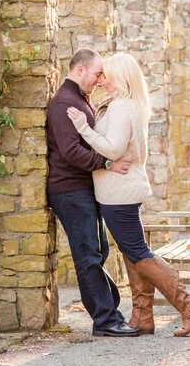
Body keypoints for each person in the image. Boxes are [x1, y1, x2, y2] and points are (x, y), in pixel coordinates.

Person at [67, 52, 190, 337]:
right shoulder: (126, 104)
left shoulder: (122, 107)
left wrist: (83, 128)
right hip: (119, 192)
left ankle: (189, 305)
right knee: (133, 254)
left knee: (139, 253)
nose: (102, 80)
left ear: (120, 77)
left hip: (119, 194)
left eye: (107, 75)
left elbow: (114, 149)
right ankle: (142, 316)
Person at [46, 48, 138, 337]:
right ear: (80, 70)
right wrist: (108, 163)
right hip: (70, 191)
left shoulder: (79, 99)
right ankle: (105, 320)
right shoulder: (63, 102)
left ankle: (110, 308)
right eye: (98, 74)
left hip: (84, 189)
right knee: (88, 255)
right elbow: (71, 151)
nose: (100, 80)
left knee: (99, 250)